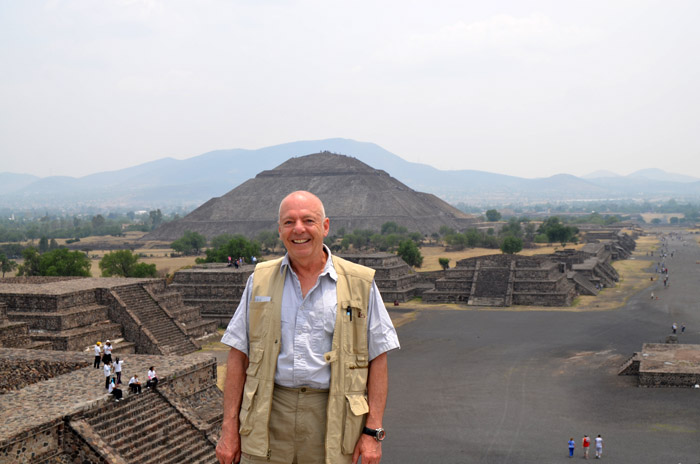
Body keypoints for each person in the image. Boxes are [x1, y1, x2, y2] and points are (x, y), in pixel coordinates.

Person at [216, 191, 400, 464]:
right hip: (267, 416)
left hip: (333, 418)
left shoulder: (359, 283)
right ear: (280, 231)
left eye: (308, 221)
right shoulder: (260, 281)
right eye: (289, 222)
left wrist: (373, 431)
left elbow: (378, 358)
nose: (298, 229)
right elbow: (237, 355)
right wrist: (228, 428)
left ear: (325, 226)